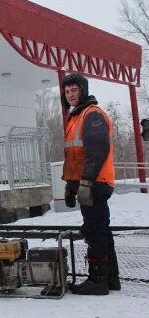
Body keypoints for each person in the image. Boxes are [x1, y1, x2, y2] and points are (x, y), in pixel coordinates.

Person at [61, 74, 119, 295]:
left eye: (74, 90)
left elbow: (97, 151)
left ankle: (97, 280)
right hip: (88, 183)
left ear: (83, 90)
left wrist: (85, 184)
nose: (70, 95)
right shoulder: (75, 116)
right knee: (101, 229)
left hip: (95, 183)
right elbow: (74, 157)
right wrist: (70, 185)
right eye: (67, 92)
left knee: (94, 230)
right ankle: (110, 279)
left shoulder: (91, 114)